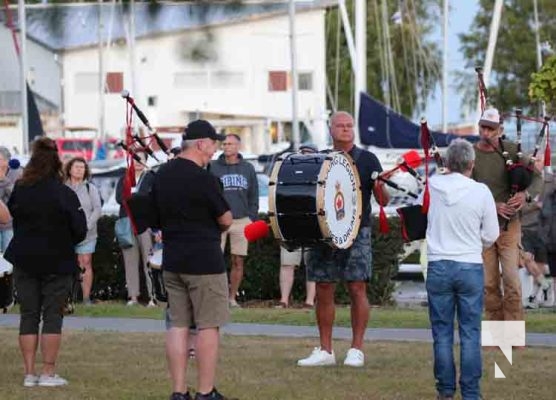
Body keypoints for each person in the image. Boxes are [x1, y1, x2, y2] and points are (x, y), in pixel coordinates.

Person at [297, 111, 389, 367]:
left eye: (350, 125)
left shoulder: (369, 159)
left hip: (358, 232)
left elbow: (383, 201)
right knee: (323, 288)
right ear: (331, 129)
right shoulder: (321, 158)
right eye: (341, 125)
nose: (346, 129)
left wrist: (382, 185)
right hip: (324, 232)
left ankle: (356, 349)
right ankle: (325, 350)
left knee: (357, 287)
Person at [150, 119, 234, 400]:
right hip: (204, 261)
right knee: (208, 325)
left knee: (178, 325)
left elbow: (152, 215)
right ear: (201, 144)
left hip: (173, 259)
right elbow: (225, 218)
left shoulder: (161, 174)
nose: (214, 151)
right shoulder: (204, 178)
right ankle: (205, 391)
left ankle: (178, 391)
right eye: (213, 145)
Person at [4, 137, 87, 388]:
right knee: (52, 316)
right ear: (56, 161)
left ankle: (29, 373)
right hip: (57, 260)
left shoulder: (20, 189)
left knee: (28, 315)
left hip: (24, 258)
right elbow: (80, 230)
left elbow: (13, 217)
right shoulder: (64, 193)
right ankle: (48, 373)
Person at [425, 139, 499, 400]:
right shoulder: (481, 191)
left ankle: (445, 390)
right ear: (471, 163)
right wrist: (473, 244)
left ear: (447, 162)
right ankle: (471, 392)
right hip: (469, 264)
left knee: (442, 332)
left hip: (438, 264)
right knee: (470, 332)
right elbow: (491, 234)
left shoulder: (432, 186)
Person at [471, 107, 538, 321]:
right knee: (489, 284)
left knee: (512, 282)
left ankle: (512, 336)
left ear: (499, 130)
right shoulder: (471, 155)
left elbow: (537, 176)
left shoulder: (512, 151)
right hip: (483, 230)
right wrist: (493, 205)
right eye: (483, 127)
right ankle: (496, 336)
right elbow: (466, 190)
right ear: (479, 126)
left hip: (510, 228)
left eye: (491, 129)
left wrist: (525, 195)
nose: (486, 133)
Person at [210, 134, 259, 307]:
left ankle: (232, 297)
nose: (226, 147)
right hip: (219, 221)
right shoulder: (213, 167)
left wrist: (251, 218)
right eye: (224, 144)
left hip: (241, 221)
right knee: (215, 260)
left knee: (238, 260)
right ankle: (218, 296)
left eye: (230, 144)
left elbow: (254, 194)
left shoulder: (248, 168)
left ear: (238, 146)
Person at [276, 144, 319, 309]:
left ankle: (309, 301)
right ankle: (284, 299)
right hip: (291, 224)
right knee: (287, 264)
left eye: (309, 154)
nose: (305, 156)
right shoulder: (289, 174)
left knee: (312, 266)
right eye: (302, 153)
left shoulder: (320, 174)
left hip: (313, 225)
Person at [115, 150, 156, 307]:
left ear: (146, 161)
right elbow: (120, 198)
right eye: (135, 159)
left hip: (145, 224)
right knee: (130, 261)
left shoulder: (151, 178)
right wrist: (138, 197)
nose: (138, 162)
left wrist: (133, 197)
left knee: (149, 261)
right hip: (127, 222)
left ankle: (153, 296)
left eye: (141, 159)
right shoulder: (124, 178)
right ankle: (133, 296)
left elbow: (151, 198)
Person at [64, 157, 102, 305]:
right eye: (77, 167)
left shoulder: (90, 188)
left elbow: (97, 209)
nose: (80, 169)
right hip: (66, 234)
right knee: (66, 264)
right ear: (69, 169)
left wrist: (87, 225)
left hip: (87, 233)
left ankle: (86, 298)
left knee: (85, 262)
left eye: (82, 167)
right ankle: (67, 298)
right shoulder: (63, 188)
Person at [0, 146, 22, 253]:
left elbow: (17, 196)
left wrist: (4, 180)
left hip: (9, 225)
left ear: (8, 161)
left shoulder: (16, 173)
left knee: (7, 257)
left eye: (1, 160)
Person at [540, 170, 556, 307]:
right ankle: (554, 300)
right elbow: (542, 218)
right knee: (554, 274)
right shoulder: (549, 198)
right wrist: (544, 237)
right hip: (551, 242)